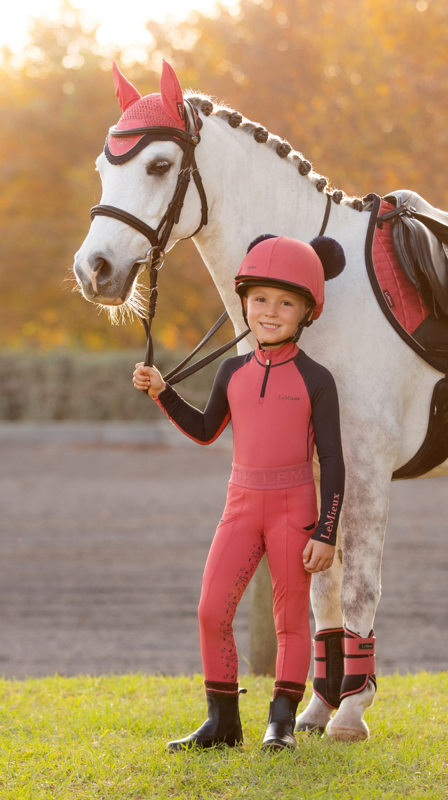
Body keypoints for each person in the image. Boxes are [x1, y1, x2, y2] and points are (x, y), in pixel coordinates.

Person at [132, 234, 346, 752]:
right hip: (241, 504)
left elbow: (335, 460)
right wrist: (164, 392)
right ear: (244, 302)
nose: (270, 312)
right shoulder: (232, 370)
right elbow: (207, 430)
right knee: (211, 610)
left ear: (306, 312)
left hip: (296, 508)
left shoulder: (317, 378)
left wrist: (326, 530)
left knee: (291, 619)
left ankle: (281, 722)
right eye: (260, 299)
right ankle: (222, 722)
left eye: (286, 302)